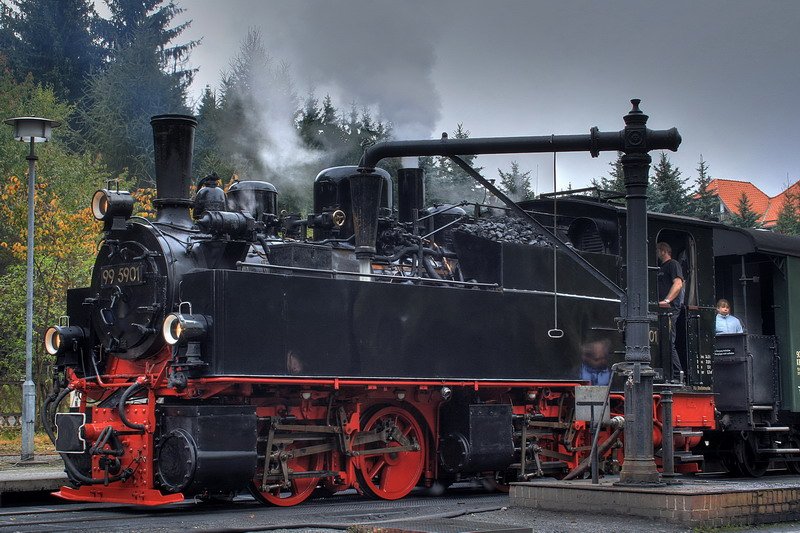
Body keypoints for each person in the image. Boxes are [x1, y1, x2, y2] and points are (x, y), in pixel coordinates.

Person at [656, 242, 685, 382]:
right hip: (662, 310)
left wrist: (667, 301)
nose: (656, 253)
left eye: (657, 250)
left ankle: (677, 376)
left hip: (671, 309)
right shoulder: (661, 267)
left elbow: (678, 283)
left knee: (669, 342)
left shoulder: (673, 264)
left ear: (663, 251)